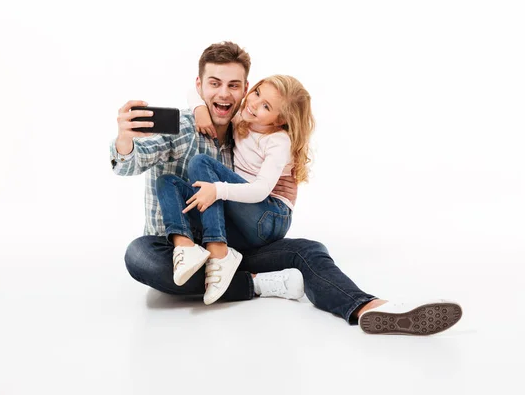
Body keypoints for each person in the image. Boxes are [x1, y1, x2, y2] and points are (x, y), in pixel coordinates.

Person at [111, 41, 463, 335]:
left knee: (308, 249)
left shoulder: (247, 121)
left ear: (246, 89)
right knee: (139, 255)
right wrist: (126, 138)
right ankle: (261, 284)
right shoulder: (184, 125)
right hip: (179, 250)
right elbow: (133, 161)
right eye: (213, 84)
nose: (224, 93)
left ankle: (368, 308)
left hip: (233, 244)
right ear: (200, 86)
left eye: (235, 86)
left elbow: (266, 139)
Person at [155, 74, 314, 305]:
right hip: (243, 219)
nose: (253, 103)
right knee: (167, 182)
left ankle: (219, 253)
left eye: (266, 106)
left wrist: (218, 190)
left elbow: (260, 190)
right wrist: (200, 109)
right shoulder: (244, 115)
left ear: (280, 120)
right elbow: (194, 92)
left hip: (270, 216)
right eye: (257, 93)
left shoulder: (278, 141)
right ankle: (186, 247)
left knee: (201, 163)